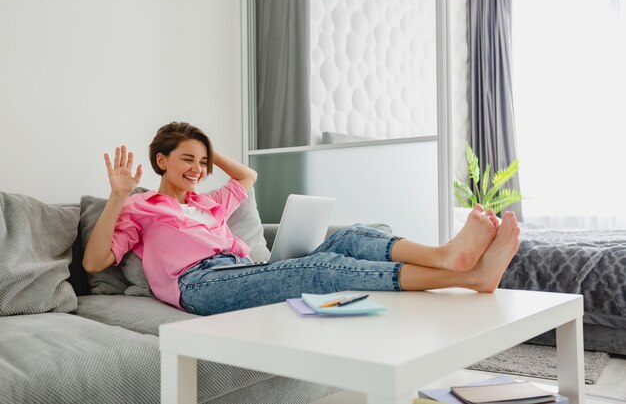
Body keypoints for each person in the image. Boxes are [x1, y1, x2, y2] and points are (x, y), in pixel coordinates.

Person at [83, 121, 521, 316]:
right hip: (199, 286)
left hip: (243, 272)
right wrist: (117, 196)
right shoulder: (139, 207)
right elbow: (94, 263)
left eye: (202, 162)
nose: (197, 169)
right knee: (325, 270)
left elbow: (249, 176)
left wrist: (206, 147)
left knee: (350, 235)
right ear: (160, 160)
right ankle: (463, 276)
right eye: (186, 159)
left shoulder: (208, 203)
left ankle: (447, 255)